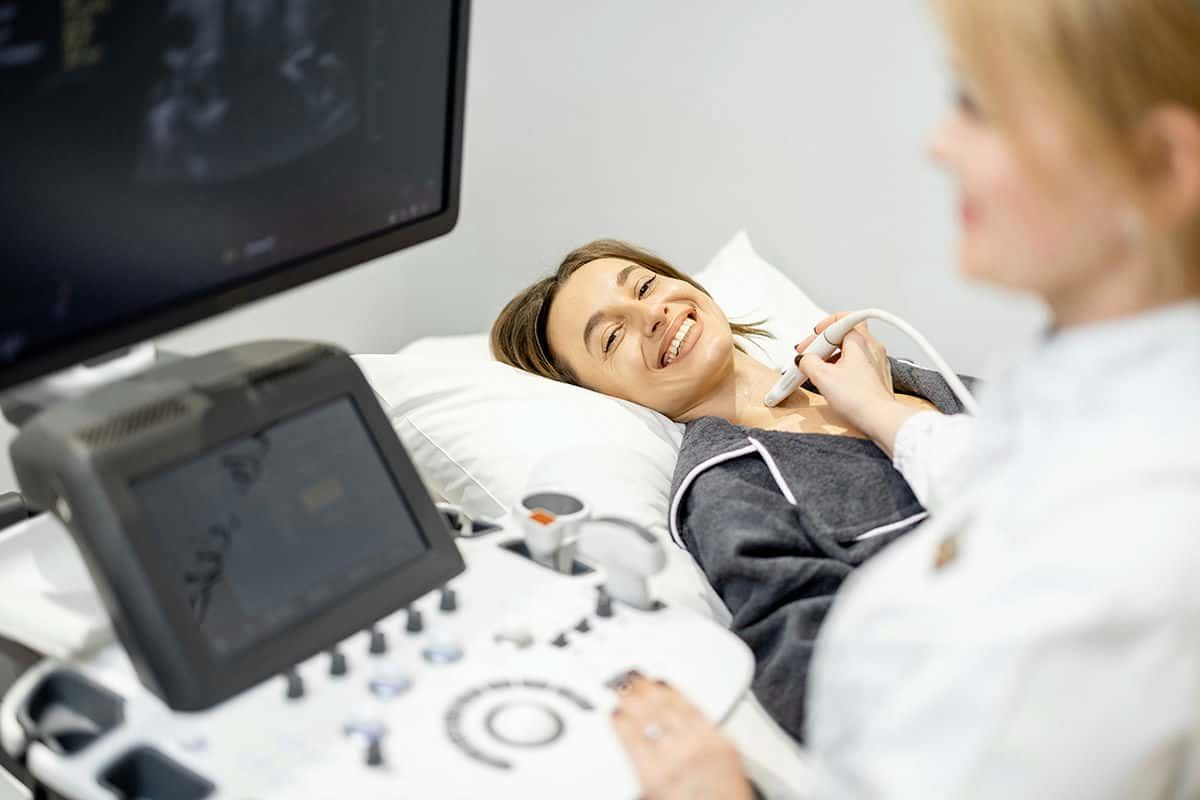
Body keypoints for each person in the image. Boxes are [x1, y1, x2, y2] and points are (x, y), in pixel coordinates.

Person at [596, 0, 1200, 797]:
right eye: (608, 338)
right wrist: (882, 414)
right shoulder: (727, 477)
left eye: (978, 106)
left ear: (1161, 164)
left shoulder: (1121, 535)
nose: (938, 143)